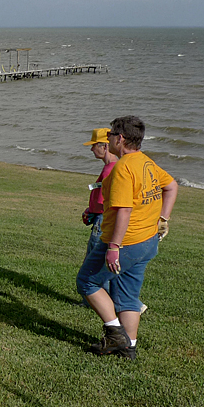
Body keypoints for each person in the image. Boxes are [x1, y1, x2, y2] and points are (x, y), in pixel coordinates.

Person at [76, 115, 177, 360]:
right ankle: (128, 348)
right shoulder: (147, 163)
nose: (108, 138)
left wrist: (113, 247)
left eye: (110, 134)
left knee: (87, 282)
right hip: (148, 241)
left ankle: (114, 333)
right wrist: (163, 219)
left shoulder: (123, 168)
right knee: (127, 295)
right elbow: (172, 186)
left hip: (126, 243)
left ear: (120, 139)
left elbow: (123, 210)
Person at [78, 127, 118, 305]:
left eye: (94, 145)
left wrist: (95, 212)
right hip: (100, 217)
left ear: (105, 146)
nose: (91, 149)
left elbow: (109, 200)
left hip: (103, 221)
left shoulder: (110, 170)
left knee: (94, 264)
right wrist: (91, 210)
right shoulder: (109, 168)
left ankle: (97, 301)